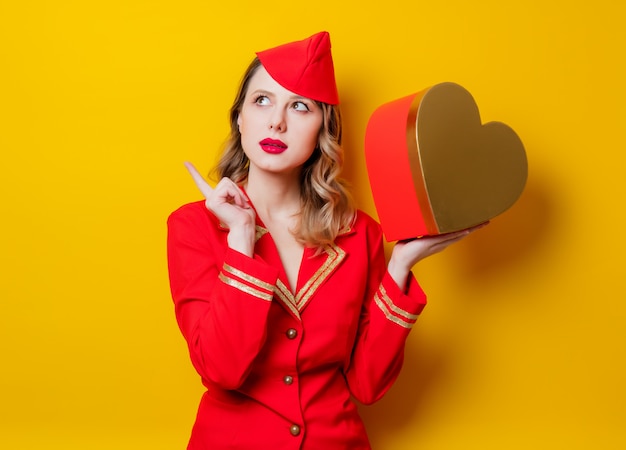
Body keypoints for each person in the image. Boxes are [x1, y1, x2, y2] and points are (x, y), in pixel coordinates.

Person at [167, 31, 482, 449]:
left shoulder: (360, 233)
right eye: (262, 101)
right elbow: (221, 370)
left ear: (323, 128)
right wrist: (241, 239)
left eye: (299, 106)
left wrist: (399, 267)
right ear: (239, 118)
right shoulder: (193, 226)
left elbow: (368, 385)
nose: (277, 121)